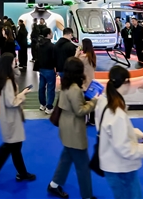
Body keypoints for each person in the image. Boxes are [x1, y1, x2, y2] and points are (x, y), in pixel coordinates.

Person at [96, 66, 143, 199]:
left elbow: (109, 131)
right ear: (125, 82)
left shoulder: (103, 102)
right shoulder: (117, 113)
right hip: (121, 168)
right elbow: (125, 149)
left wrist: (134, 133)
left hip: (112, 163)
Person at [0, 53, 35, 186]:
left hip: (9, 118)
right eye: (13, 61)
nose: (15, 63)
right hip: (12, 119)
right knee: (9, 147)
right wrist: (22, 94)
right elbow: (11, 102)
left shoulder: (3, 79)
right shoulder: (8, 82)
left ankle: (21, 172)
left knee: (15, 147)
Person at [47, 58, 98, 199]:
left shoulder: (65, 84)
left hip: (66, 127)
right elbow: (80, 111)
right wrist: (94, 101)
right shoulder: (75, 89)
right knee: (83, 167)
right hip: (75, 131)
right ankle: (87, 196)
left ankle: (54, 185)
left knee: (66, 159)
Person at [37, 27, 57, 115]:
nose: (52, 34)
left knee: (41, 87)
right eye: (51, 33)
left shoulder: (39, 45)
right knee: (50, 88)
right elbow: (54, 58)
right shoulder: (52, 46)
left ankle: (42, 104)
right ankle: (49, 107)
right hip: (50, 69)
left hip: (41, 69)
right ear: (48, 35)